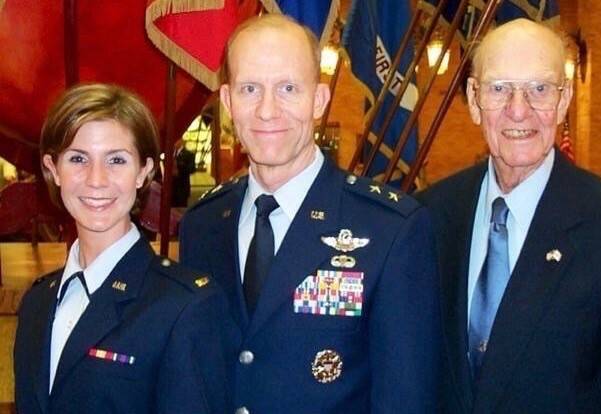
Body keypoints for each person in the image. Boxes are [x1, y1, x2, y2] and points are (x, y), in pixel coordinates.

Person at [179, 14, 442, 413]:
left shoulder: (391, 230)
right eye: (251, 89)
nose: (268, 110)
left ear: (318, 100)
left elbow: (406, 400)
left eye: (288, 88)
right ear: (228, 101)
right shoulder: (203, 224)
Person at [418, 19, 601, 413]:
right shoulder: (429, 215)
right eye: (500, 89)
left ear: (564, 101)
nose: (519, 110)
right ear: (475, 99)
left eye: (539, 89)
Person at [14, 83, 228, 414]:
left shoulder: (183, 306)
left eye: (116, 160)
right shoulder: (37, 302)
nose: (96, 179)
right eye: (77, 158)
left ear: (144, 171)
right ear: (53, 169)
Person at [171, 138, 196, 207]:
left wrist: (180, 166)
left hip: (182, 187)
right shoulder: (169, 153)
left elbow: (192, 169)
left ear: (181, 141)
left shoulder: (189, 154)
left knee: (181, 209)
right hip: (171, 188)